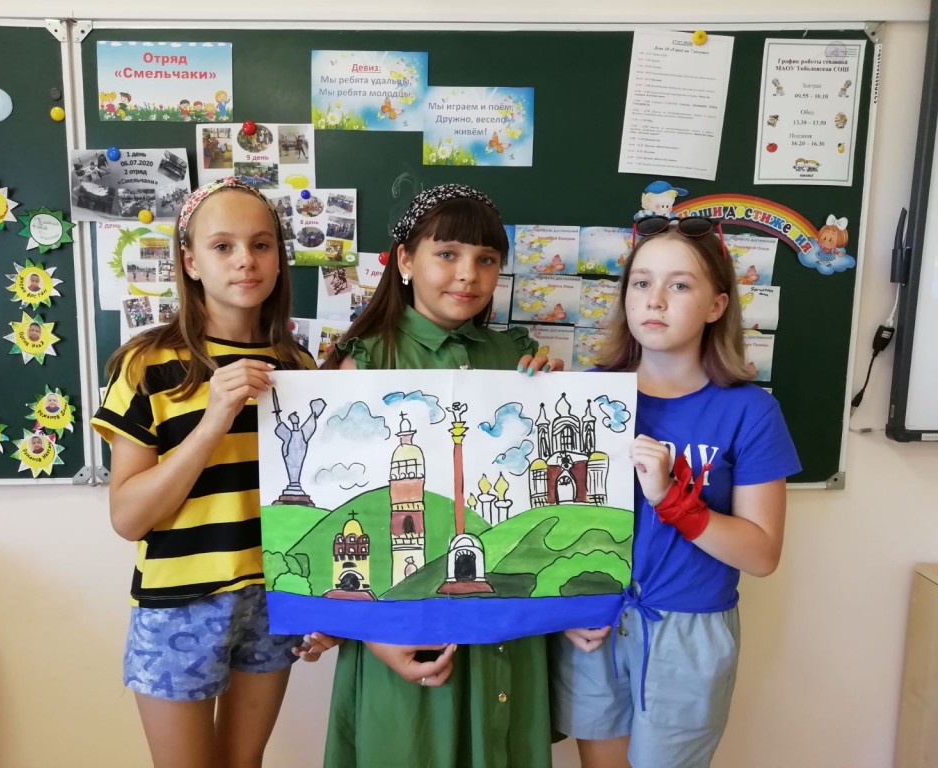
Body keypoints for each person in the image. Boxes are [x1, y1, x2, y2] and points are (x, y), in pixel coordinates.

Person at [90, 176, 338, 768]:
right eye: (222, 246)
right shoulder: (148, 364)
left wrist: (326, 604)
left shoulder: (297, 368)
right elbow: (128, 517)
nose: (245, 260)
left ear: (278, 258)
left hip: (273, 595)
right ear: (191, 262)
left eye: (261, 244)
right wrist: (213, 419)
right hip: (179, 601)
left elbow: (321, 498)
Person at [320, 184, 563, 768]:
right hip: (401, 635)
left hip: (508, 633)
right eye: (447, 253)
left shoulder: (519, 358)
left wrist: (555, 393)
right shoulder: (366, 360)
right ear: (405, 260)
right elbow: (340, 512)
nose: (468, 274)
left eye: (487, 259)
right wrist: (373, 635)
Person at [551, 216, 801, 768]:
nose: (655, 300)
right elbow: (555, 523)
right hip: (595, 621)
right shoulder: (584, 397)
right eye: (641, 282)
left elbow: (762, 554)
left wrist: (672, 500)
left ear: (716, 305)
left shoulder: (750, 411)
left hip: (688, 628)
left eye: (680, 285)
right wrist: (562, 605)